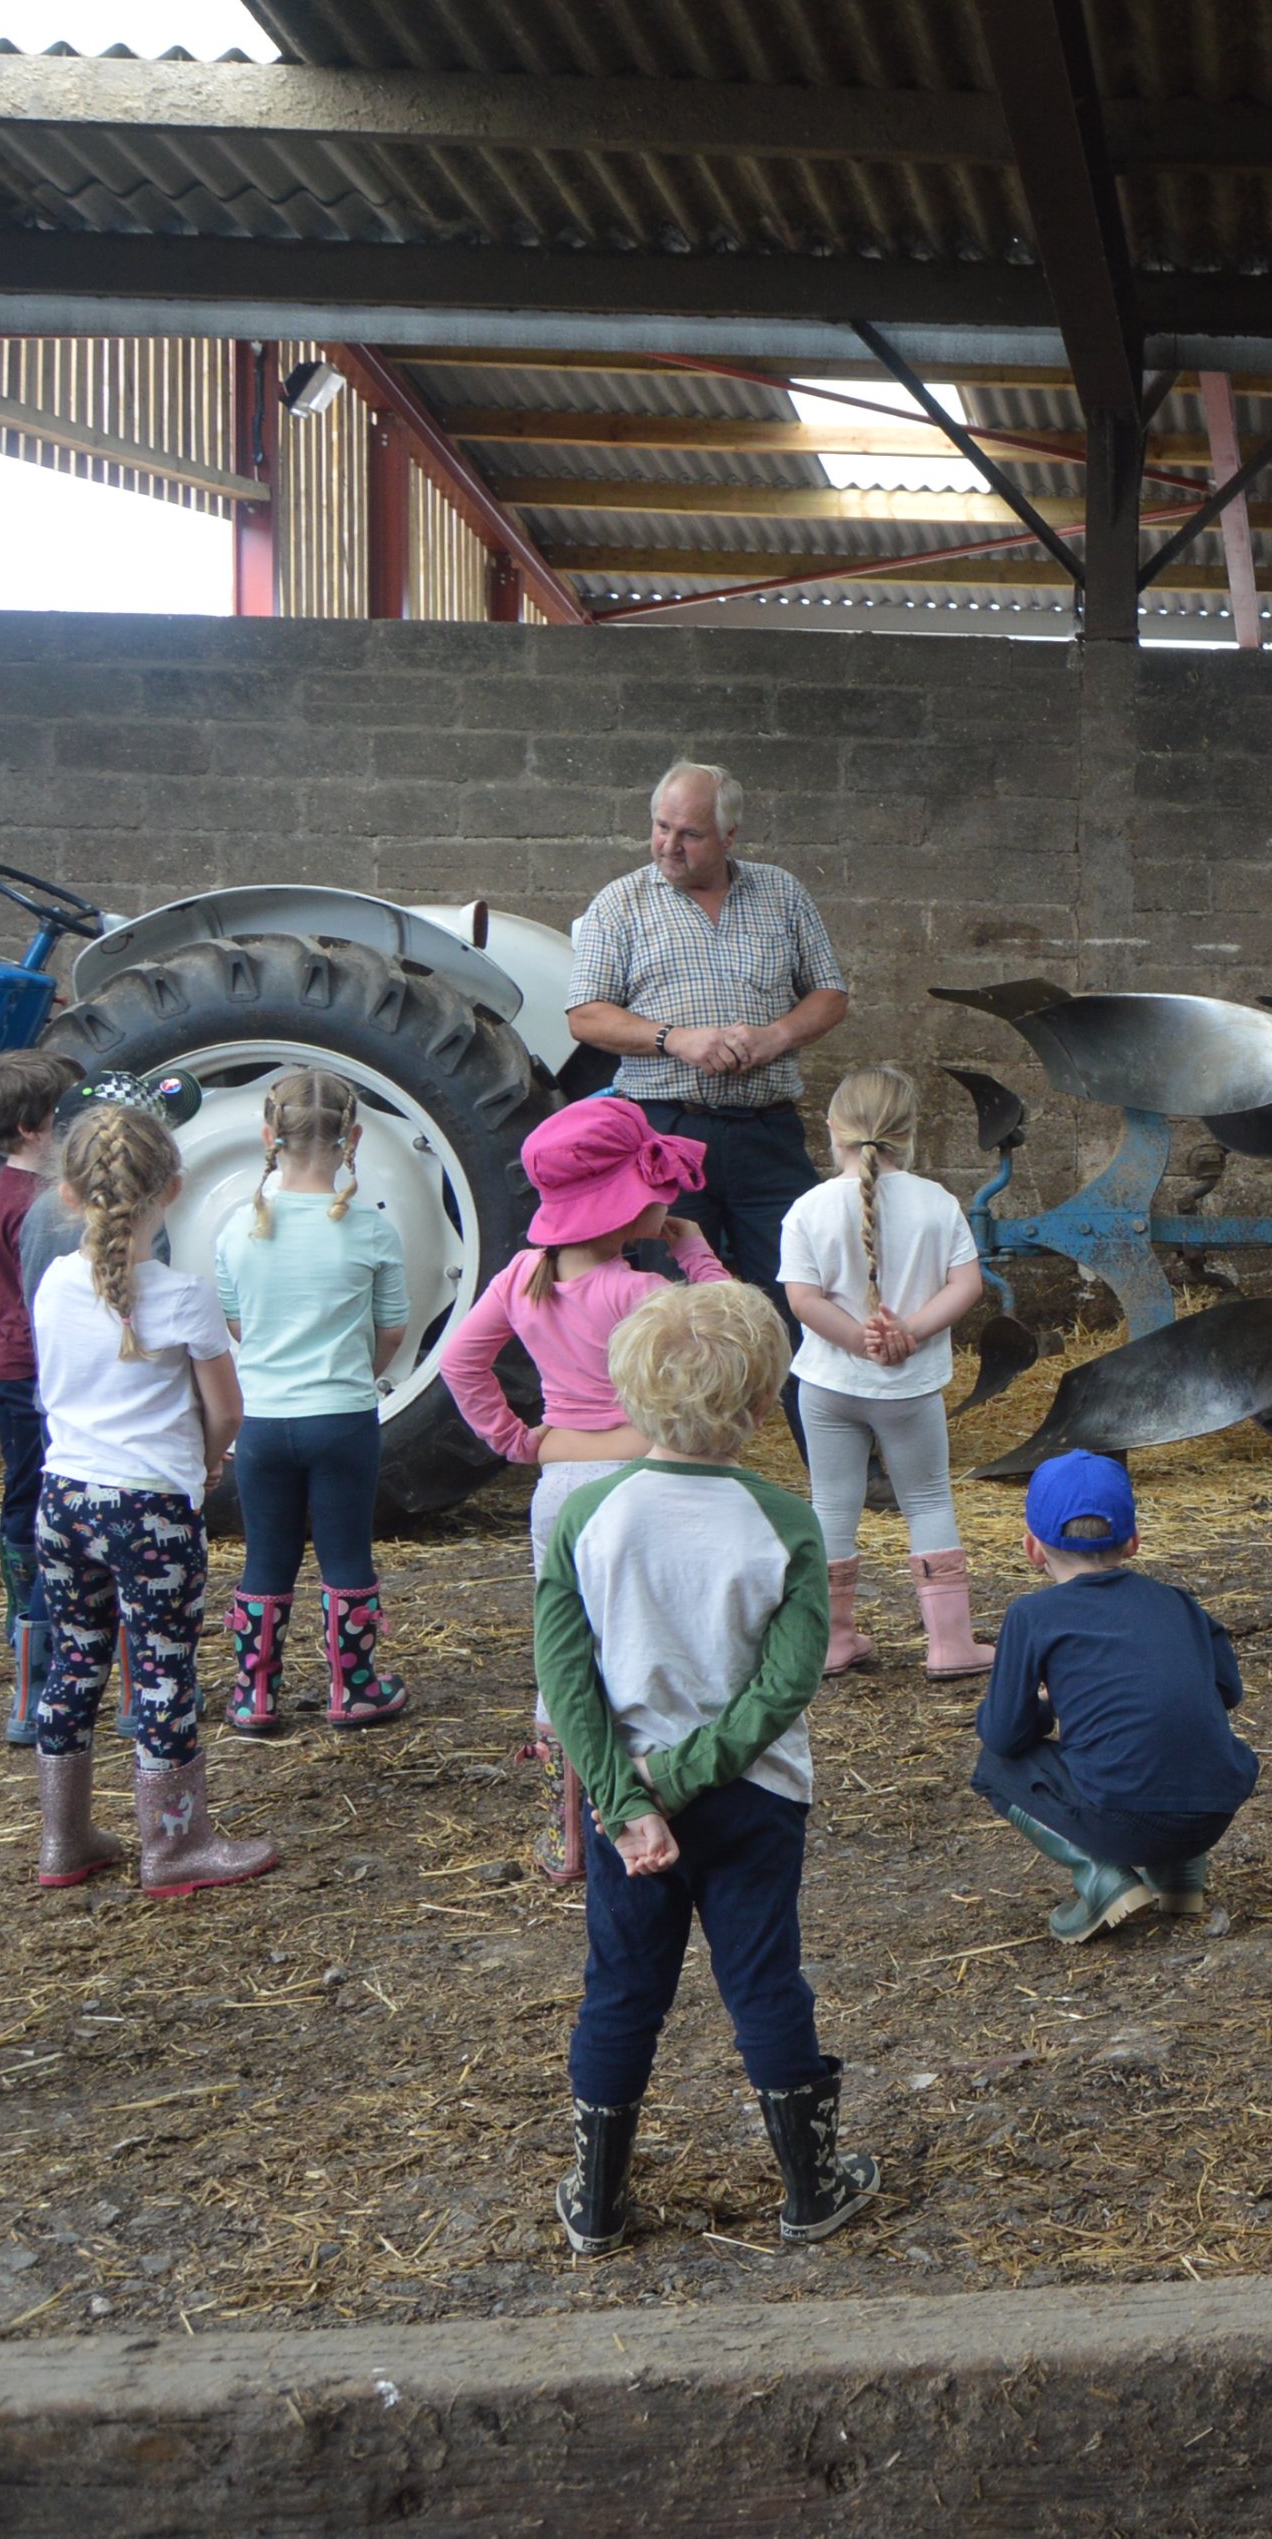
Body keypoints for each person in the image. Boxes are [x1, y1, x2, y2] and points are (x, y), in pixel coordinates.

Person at [536, 1280, 876, 2259]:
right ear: (765, 1403)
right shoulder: (786, 1523)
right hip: (753, 1797)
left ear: (630, 1394)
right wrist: (684, 1775)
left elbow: (565, 1676)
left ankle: (597, 2202)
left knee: (619, 1987)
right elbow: (784, 1686)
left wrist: (628, 1794)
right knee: (764, 1977)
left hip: (626, 1802)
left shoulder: (589, 1514)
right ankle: (810, 2191)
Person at [441, 1097, 731, 1880]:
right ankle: (646, 1796)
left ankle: (561, 1828)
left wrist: (519, 1440)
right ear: (627, 1204)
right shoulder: (641, 1295)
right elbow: (727, 1335)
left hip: (560, 1484)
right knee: (646, 1633)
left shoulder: (520, 1277)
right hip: (643, 1482)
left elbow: (459, 1364)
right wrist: (697, 1252)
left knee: (560, 1643)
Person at [28, 1105, 273, 1897]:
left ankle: (64, 1838)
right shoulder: (185, 1297)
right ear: (172, 1187)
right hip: (150, 1512)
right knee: (163, 1670)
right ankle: (174, 1845)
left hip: (64, 1498)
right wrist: (205, 1463)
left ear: (70, 1195)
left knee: (74, 1663)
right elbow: (227, 1410)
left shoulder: (54, 1283)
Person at [562, 761, 849, 1392]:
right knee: (668, 1305)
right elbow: (585, 1017)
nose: (668, 844)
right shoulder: (621, 902)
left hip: (766, 1135)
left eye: (688, 833)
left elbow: (830, 995)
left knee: (804, 1291)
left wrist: (776, 1035)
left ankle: (838, 1461)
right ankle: (675, 1452)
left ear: (729, 836)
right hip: (665, 1136)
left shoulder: (782, 893)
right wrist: (675, 1040)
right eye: (660, 827)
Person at [974, 1453, 1257, 1945]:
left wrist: (1045, 1706)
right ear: (1133, 1542)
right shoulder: (1178, 1602)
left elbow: (1003, 1731)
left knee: (995, 1765)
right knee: (1171, 1743)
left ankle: (1100, 1875)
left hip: (1124, 1819)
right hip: (1213, 1812)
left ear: (1031, 1548)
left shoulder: (1033, 1615)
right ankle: (1178, 1876)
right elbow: (1227, 1693)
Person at [210, 1071, 414, 1738]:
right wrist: (356, 1374)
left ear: (269, 1137)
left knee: (265, 1557)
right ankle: (354, 1690)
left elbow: (238, 1326)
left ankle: (254, 1695)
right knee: (346, 1552)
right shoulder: (373, 1233)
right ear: (352, 1139)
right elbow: (390, 1333)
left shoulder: (237, 1232)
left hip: (263, 1420)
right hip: (343, 1416)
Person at [778, 1063, 990, 1682]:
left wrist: (858, 1342)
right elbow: (967, 1285)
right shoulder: (937, 1202)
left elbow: (802, 1299)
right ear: (910, 1132)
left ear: (832, 1131)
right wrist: (909, 1336)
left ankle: (832, 1640)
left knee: (831, 1504)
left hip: (826, 1385)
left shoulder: (808, 1208)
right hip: (911, 1387)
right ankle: (950, 1645)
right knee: (926, 1499)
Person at [0, 1049, 78, 1749]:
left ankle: (25, 1634)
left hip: (13, 1364)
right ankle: (34, 1650)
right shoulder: (34, 1206)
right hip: (34, 1368)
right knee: (37, 1501)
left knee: (24, 1495)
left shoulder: (8, 1193)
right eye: (65, 1115)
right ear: (36, 1128)